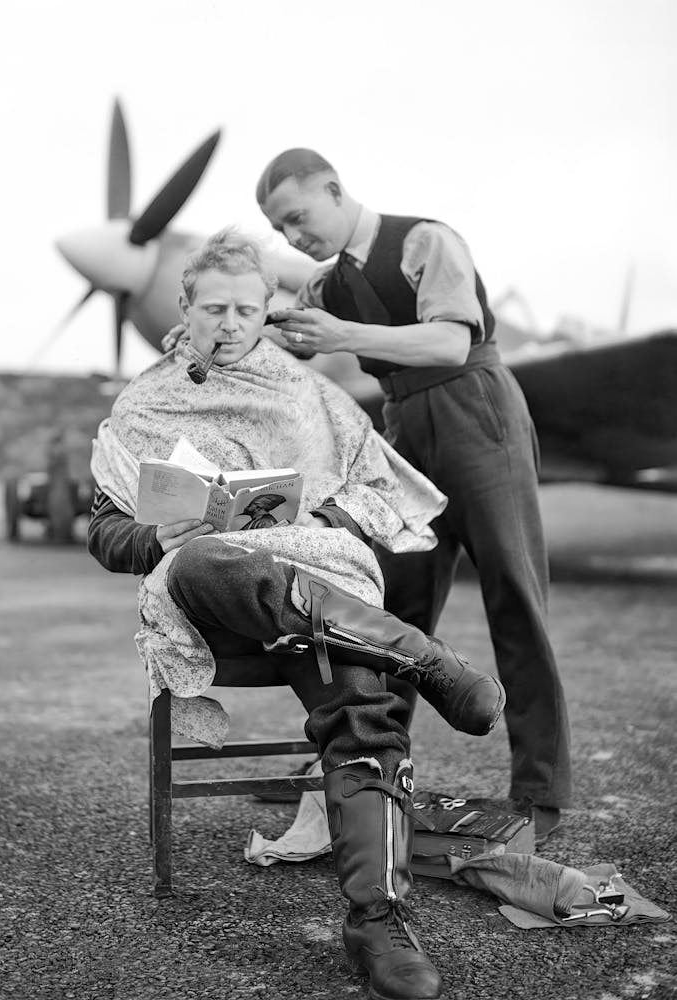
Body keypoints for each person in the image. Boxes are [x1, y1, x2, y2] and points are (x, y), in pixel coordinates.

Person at [88, 229, 506, 1000]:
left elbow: (380, 495)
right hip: (208, 603)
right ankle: (419, 655)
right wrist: (158, 536)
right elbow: (105, 532)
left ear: (265, 310)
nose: (231, 322)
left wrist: (324, 524)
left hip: (316, 596)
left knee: (363, 701)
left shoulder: (309, 392)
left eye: (247, 309)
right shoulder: (143, 403)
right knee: (213, 558)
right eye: (214, 308)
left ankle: (377, 921)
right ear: (186, 306)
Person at [255, 149, 572, 844]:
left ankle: (540, 793)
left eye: (299, 218)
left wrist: (346, 337)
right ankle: (370, 775)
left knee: (514, 598)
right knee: (390, 615)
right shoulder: (326, 284)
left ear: (334, 191)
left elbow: (451, 343)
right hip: (400, 429)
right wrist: (213, 331)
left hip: (475, 414)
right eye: (281, 230)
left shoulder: (426, 240)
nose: (294, 238)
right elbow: (280, 334)